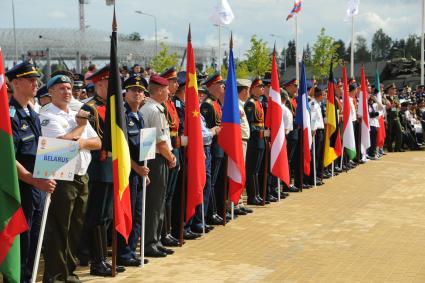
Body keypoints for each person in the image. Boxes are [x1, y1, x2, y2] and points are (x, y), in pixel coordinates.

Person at [40, 75, 101, 283]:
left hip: (81, 176)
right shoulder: (48, 116)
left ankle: (69, 272)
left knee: (75, 228)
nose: (67, 91)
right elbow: (59, 145)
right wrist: (80, 129)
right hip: (61, 177)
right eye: (61, 88)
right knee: (59, 229)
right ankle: (55, 276)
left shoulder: (76, 114)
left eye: (69, 88)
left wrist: (79, 140)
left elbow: (98, 142)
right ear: (50, 92)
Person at [6, 61, 56, 283]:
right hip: (19, 189)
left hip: (37, 188)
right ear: (15, 83)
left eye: (36, 79)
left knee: (35, 243)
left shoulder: (33, 114)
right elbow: (8, 159)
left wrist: (48, 175)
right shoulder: (9, 117)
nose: (36, 83)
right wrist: (34, 180)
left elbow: (39, 150)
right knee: (21, 244)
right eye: (30, 79)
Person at [80, 65, 122, 276]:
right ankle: (97, 261)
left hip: (111, 167)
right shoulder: (90, 108)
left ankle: (104, 258)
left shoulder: (112, 106)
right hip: (98, 167)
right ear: (99, 84)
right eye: (110, 83)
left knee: (106, 216)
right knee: (96, 216)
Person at [140, 75, 177, 257]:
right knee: (155, 202)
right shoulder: (155, 110)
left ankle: (155, 240)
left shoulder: (150, 108)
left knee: (158, 202)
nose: (169, 92)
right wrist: (171, 158)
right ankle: (150, 243)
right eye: (167, 89)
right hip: (157, 158)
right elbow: (161, 142)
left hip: (153, 157)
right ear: (160, 90)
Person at [117, 75, 150, 266]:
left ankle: (132, 250)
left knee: (138, 213)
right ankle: (123, 252)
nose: (137, 94)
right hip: (127, 172)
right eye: (133, 90)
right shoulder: (123, 116)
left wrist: (145, 171)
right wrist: (137, 168)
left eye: (140, 91)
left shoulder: (141, 116)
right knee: (126, 212)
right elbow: (121, 149)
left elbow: (144, 149)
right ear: (125, 93)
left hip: (139, 172)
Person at [159, 67, 181, 246]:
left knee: (170, 193)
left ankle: (168, 230)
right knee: (164, 194)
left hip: (175, 147)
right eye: (173, 82)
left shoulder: (171, 103)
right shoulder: (162, 105)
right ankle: (162, 232)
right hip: (166, 149)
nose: (176, 84)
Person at [200, 72, 226, 225]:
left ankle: (214, 211)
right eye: (220, 84)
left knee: (215, 181)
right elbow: (208, 129)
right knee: (211, 182)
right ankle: (210, 213)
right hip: (213, 146)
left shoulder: (216, 103)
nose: (223, 86)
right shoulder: (207, 105)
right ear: (212, 86)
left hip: (219, 146)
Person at [244, 78, 266, 205]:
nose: (262, 88)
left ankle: (256, 194)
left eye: (262, 86)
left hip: (260, 140)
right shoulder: (251, 103)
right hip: (254, 141)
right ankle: (252, 196)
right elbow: (249, 124)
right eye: (259, 86)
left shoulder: (258, 102)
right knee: (252, 169)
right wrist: (260, 131)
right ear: (253, 88)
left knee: (256, 170)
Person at [385, 83, 404, 152]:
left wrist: (398, 106)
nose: (394, 90)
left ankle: (398, 148)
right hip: (389, 117)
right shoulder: (385, 97)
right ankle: (389, 148)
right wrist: (391, 106)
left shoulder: (396, 97)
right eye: (393, 89)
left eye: (395, 89)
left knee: (399, 132)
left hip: (396, 116)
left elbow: (399, 106)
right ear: (389, 90)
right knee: (389, 133)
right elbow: (384, 108)